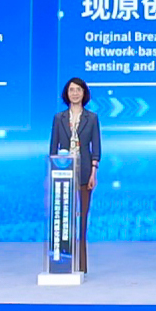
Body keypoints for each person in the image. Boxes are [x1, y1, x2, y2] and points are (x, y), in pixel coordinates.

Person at [48, 78, 102, 273]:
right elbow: (53, 148)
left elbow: (96, 147)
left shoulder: (92, 118)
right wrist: (53, 171)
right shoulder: (59, 118)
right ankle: (62, 260)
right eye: (72, 90)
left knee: (83, 219)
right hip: (63, 173)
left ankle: (82, 265)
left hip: (85, 172)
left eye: (78, 90)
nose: (75, 93)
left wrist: (94, 172)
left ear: (84, 93)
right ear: (67, 93)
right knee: (64, 219)